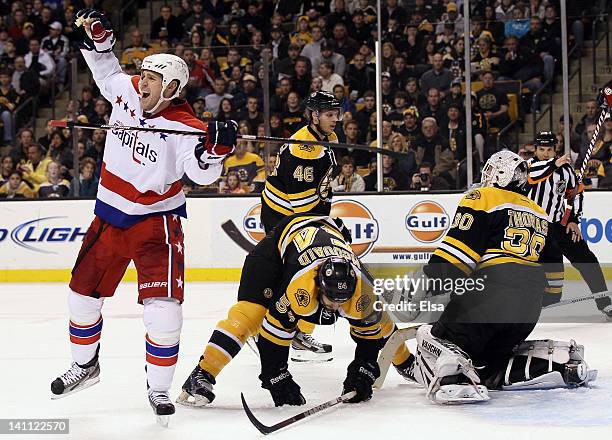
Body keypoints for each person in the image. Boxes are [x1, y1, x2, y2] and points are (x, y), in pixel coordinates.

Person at [49, 9, 237, 423]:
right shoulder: (129, 92)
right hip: (108, 217)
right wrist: (100, 43)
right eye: (143, 74)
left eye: (152, 77)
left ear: (171, 87)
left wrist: (217, 151)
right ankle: (86, 365)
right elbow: (104, 70)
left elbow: (200, 170)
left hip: (155, 223)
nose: (142, 81)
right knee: (80, 298)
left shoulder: (187, 126)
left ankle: (159, 389)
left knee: (163, 312)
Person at [408, 150, 595, 404]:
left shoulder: (483, 197)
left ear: (502, 174)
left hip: (486, 301)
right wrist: (548, 297)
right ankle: (559, 363)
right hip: (526, 312)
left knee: (433, 337)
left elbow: (458, 253)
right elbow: (554, 266)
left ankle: (456, 379)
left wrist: (428, 286)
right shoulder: (538, 211)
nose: (486, 177)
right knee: (490, 361)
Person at [177, 215, 413, 407]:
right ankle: (202, 373)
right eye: (331, 299)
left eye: (342, 301)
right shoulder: (302, 286)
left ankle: (406, 362)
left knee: (378, 318)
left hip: (324, 237)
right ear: (319, 285)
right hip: (277, 251)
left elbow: (369, 338)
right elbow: (273, 336)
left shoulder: (364, 290)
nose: (335, 307)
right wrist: (276, 376)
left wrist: (363, 369)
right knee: (251, 315)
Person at [260, 90, 343, 359]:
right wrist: (325, 225)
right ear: (315, 115)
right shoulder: (301, 150)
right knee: (301, 272)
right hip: (283, 217)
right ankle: (284, 330)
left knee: (311, 270)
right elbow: (303, 206)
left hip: (304, 212)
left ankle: (295, 330)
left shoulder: (328, 138)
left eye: (336, 114)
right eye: (329, 115)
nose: (335, 120)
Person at [526, 131, 611, 319]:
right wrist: (554, 163)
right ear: (535, 149)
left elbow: (576, 193)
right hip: (533, 228)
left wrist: (573, 219)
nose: (545, 153)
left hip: (558, 226)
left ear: (555, 149)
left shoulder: (565, 171)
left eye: (549, 150)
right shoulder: (529, 166)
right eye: (542, 149)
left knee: (588, 260)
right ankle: (528, 302)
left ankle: (605, 303)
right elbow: (534, 177)